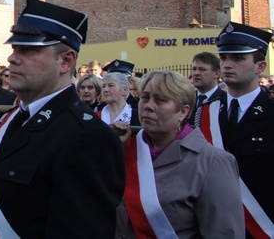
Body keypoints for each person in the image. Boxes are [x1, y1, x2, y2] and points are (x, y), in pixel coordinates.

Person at [0, 0, 125, 237]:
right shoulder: (15, 118)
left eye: (28, 50)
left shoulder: (88, 138)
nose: (12, 59)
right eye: (14, 48)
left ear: (66, 61)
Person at [113, 70, 244, 238]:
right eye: (145, 98)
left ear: (183, 111)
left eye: (160, 100)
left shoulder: (212, 162)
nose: (149, 106)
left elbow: (224, 232)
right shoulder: (125, 148)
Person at [198, 22, 274, 236]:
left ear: (260, 67)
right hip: (213, 227)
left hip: (263, 226)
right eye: (223, 58)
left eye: (238, 58)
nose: (227, 65)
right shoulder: (202, 113)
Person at [189, 51, 223, 127]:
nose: (196, 73)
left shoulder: (226, 101)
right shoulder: (187, 100)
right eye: (194, 69)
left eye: (202, 69)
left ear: (217, 74)